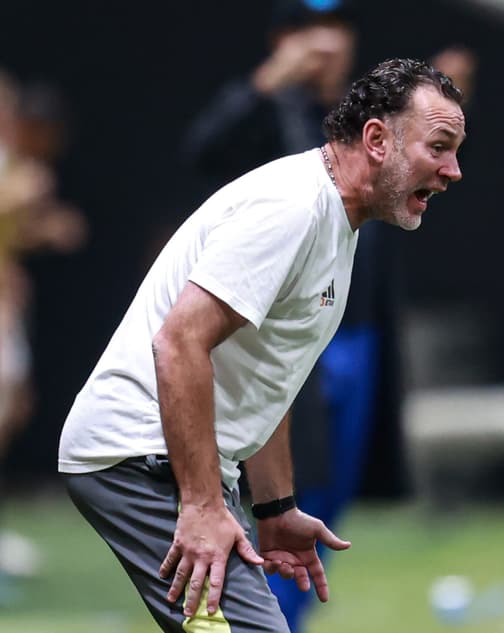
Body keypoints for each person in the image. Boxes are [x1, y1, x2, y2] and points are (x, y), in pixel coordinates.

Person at [58, 57, 465, 632]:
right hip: (137, 461)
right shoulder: (293, 208)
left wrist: (275, 508)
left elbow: (265, 375)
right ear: (377, 139)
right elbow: (177, 343)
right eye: (440, 146)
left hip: (167, 468)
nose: (453, 171)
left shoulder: (335, 222)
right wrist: (201, 505)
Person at [182, 3, 404, 629]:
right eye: (309, 30)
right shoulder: (268, 111)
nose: (326, 44)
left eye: (336, 29)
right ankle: (259, 610)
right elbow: (201, 151)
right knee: (280, 480)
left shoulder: (369, 122)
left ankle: (287, 614)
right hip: (278, 325)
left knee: (331, 488)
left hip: (352, 330)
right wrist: (267, 81)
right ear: (283, 39)